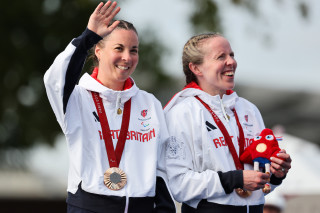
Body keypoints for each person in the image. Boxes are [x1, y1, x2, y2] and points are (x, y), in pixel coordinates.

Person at [44, 1, 176, 212]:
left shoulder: (149, 103)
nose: (127, 57)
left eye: (134, 50)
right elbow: (55, 78)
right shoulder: (76, 98)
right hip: (89, 206)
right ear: (98, 51)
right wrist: (88, 36)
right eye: (119, 48)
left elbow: (161, 168)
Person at [164, 33, 292, 213]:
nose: (231, 62)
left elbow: (261, 181)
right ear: (196, 68)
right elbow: (179, 184)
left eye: (231, 55)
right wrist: (235, 179)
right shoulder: (181, 113)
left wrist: (276, 173)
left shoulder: (249, 110)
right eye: (220, 57)